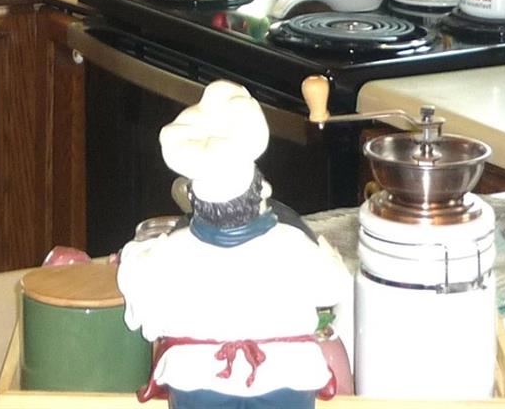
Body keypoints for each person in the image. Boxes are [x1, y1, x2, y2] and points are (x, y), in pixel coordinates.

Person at [118, 82, 352, 408]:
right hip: (286, 382)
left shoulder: (169, 252)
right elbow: (334, 286)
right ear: (260, 192)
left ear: (194, 200)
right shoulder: (293, 246)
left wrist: (132, 255)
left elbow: (140, 306)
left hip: (198, 384)